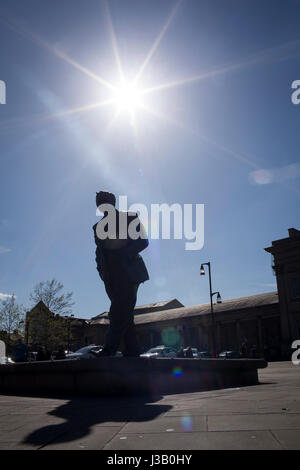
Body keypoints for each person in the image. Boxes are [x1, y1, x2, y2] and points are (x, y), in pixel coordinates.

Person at [92, 191, 149, 357]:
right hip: (111, 276)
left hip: (130, 272)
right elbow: (99, 254)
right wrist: (102, 272)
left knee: (117, 311)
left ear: (112, 202)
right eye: (98, 202)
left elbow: (143, 241)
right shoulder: (97, 227)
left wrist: (122, 254)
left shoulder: (130, 217)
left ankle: (109, 349)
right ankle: (132, 351)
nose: (101, 205)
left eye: (103, 201)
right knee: (125, 315)